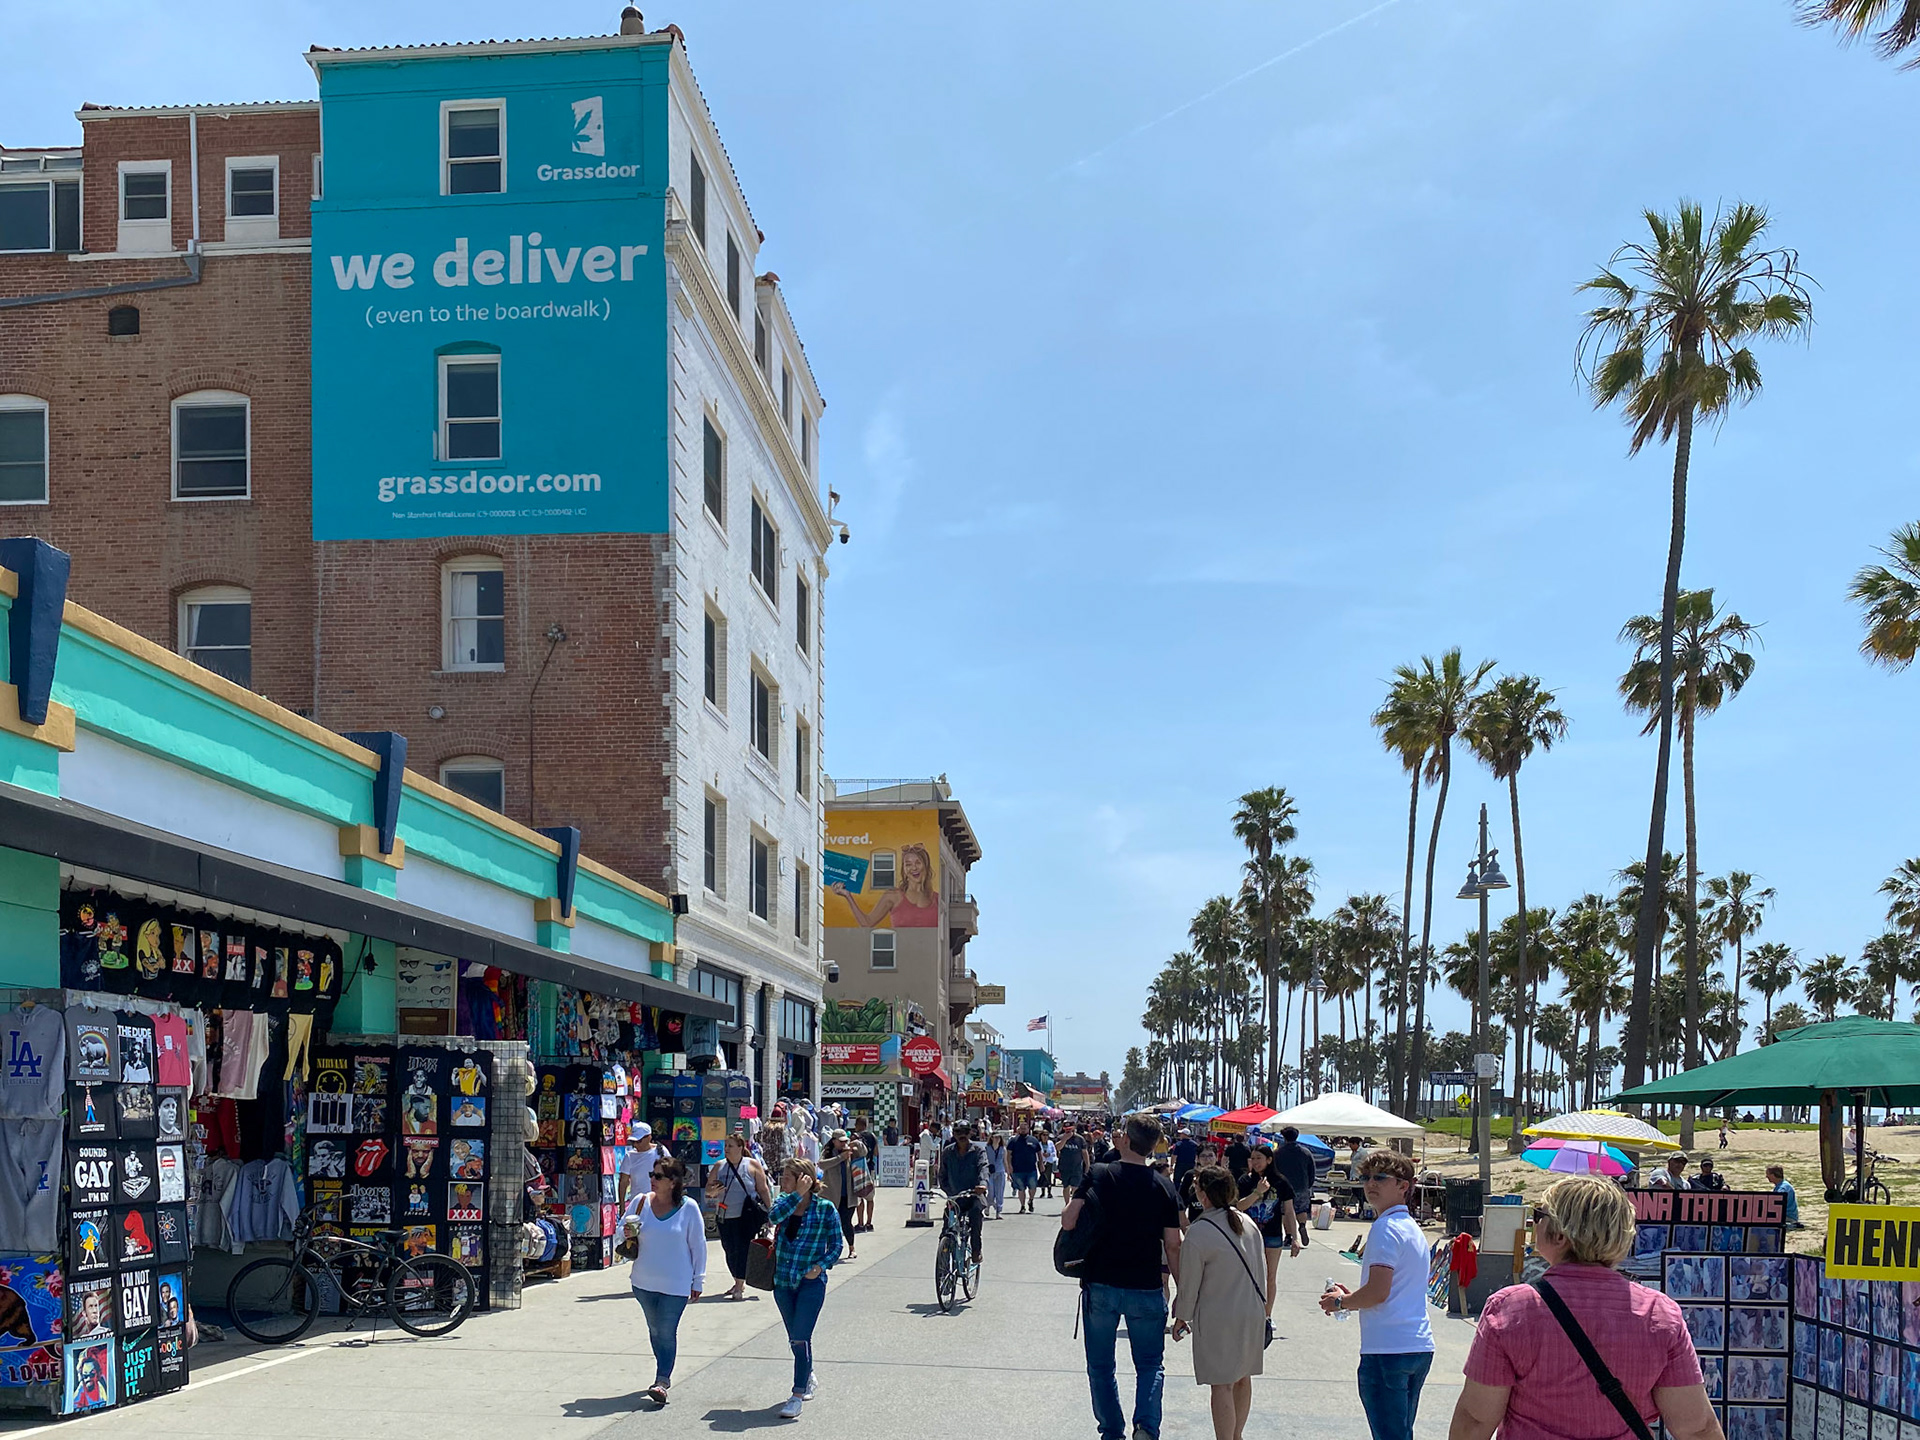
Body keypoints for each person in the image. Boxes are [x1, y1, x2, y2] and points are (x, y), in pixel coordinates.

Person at [1448, 1173, 1723, 1440]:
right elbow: (1695, 1427)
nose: (1534, 1223)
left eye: (1539, 1216)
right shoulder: (1659, 1313)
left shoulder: (1510, 1310)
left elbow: (1476, 1420)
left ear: (1560, 1236)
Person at [1063, 1113, 1184, 1440]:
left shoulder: (1099, 1173)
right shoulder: (1164, 1185)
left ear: (1126, 1140)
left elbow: (1069, 1221)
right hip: (1146, 1285)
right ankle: (1145, 1426)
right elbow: (1173, 1245)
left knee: (1101, 1366)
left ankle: (1112, 1431)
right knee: (1150, 1365)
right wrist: (1182, 1292)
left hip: (1101, 1282)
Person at [1318, 1150, 1435, 1440]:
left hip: (1388, 1349)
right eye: (1367, 1177)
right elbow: (1392, 1289)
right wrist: (1355, 1298)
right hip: (1416, 1345)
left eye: (1381, 1178)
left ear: (1403, 1185)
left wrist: (1341, 1302)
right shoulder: (1411, 1228)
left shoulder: (1385, 1228)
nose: (1371, 1183)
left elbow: (1378, 1292)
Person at [1175, 1165, 1270, 1440]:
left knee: (1221, 1384)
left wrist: (1182, 1316)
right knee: (1242, 1377)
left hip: (1219, 1316)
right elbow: (1262, 1270)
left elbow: (1189, 1284)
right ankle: (1237, 1435)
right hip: (1252, 1311)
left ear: (1203, 1195)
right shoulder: (1248, 1223)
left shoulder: (1198, 1232)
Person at [622, 1156, 706, 1407]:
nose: (653, 1180)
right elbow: (620, 1229)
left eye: (658, 1176)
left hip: (676, 1284)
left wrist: (698, 1280)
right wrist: (625, 1233)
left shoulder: (689, 1208)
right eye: (652, 1174)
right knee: (655, 1330)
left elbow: (698, 1246)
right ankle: (662, 1370)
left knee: (666, 1331)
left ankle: (662, 1380)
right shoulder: (640, 1202)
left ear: (673, 1182)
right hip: (643, 1282)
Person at [769, 1158, 844, 1420]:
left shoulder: (825, 1209)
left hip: (811, 1282)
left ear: (805, 1178)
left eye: (788, 1177)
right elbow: (773, 1217)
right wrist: (796, 1195)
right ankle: (807, 1372)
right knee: (795, 1338)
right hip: (782, 1281)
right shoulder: (784, 1202)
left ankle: (796, 1395)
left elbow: (836, 1245)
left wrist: (820, 1266)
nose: (783, 1181)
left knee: (800, 1336)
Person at [1234, 1145, 1302, 1320]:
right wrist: (1257, 1192)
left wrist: (1294, 1237)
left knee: (1270, 1276)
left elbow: (1289, 1211)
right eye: (1253, 1158)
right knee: (1247, 1274)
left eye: (1259, 1158)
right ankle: (1247, 1312)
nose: (1255, 1162)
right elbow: (1239, 1206)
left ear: (1269, 1160)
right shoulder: (1245, 1181)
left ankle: (1267, 1315)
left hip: (1272, 1234)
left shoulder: (1280, 1182)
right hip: (1248, 1235)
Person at [706, 1134, 773, 1301]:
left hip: (746, 1216)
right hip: (724, 1215)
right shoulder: (719, 1166)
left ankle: (739, 1284)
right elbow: (708, 1191)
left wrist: (770, 1212)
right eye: (725, 1146)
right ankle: (737, 1279)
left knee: (742, 1249)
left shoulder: (752, 1165)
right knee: (729, 1249)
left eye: (730, 1146)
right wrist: (713, 1192)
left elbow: (763, 1189)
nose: (726, 1149)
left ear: (740, 1148)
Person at [829, 841, 939, 927]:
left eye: (918, 863)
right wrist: (848, 896)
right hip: (901, 949)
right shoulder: (893, 895)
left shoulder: (938, 900)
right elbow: (867, 923)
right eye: (908, 864)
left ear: (926, 865)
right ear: (904, 869)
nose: (914, 868)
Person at [939, 1122, 989, 1262]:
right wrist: (949, 1192)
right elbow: (942, 1176)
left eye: (965, 1132)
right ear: (953, 1134)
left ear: (970, 1133)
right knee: (947, 1226)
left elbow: (983, 1168)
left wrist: (982, 1185)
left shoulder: (978, 1151)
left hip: (974, 1195)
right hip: (955, 1197)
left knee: (975, 1216)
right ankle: (943, 1258)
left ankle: (976, 1250)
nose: (962, 1135)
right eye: (958, 1132)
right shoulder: (947, 1152)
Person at [1270, 1126, 1318, 1250]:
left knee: (1286, 1211)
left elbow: (1273, 1170)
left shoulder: (1277, 1153)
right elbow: (1312, 1170)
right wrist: (1309, 1184)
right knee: (1301, 1210)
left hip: (1284, 1187)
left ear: (1284, 1137)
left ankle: (1289, 1235)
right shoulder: (1305, 1152)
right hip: (1302, 1186)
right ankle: (1302, 1225)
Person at [819, 1132, 860, 1260]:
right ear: (834, 1141)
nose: (843, 1144)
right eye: (840, 1141)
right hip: (831, 1195)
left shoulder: (850, 1151)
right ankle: (828, 1250)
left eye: (845, 1141)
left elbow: (863, 1153)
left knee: (846, 1222)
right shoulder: (828, 1152)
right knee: (829, 1224)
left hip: (848, 1195)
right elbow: (821, 1164)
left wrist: (857, 1144)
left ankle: (852, 1248)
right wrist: (840, 1158)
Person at [616, 1121, 660, 1212]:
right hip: (637, 1206)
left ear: (649, 1137)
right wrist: (622, 1207)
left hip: (658, 1204)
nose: (635, 1145)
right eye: (633, 1142)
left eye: (639, 1141)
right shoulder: (629, 1156)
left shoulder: (660, 1152)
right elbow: (623, 1182)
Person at [1009, 1125, 1043, 1213]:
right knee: (1021, 1188)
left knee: (1033, 1187)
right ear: (1019, 1130)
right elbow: (1009, 1154)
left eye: (1025, 1129)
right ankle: (1022, 1206)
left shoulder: (1033, 1140)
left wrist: (1041, 1164)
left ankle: (1031, 1200)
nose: (1023, 1130)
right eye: (1021, 1129)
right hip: (1017, 1169)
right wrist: (1009, 1166)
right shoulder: (1013, 1141)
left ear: (1028, 1129)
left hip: (1031, 1169)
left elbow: (1039, 1153)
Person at [985, 1131, 1010, 1219]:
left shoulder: (1003, 1149)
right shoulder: (987, 1148)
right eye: (995, 1137)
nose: (997, 1139)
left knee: (999, 1193)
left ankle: (999, 1211)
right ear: (991, 1138)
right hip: (990, 1172)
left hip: (1000, 1172)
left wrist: (1008, 1173)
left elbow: (1005, 1161)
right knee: (991, 1192)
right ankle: (988, 1205)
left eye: (998, 1137)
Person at [1059, 1125, 1090, 1195]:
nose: (1068, 1131)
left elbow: (1084, 1152)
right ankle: (1067, 1201)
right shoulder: (1061, 1137)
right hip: (1064, 1167)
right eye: (1067, 1130)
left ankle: (1073, 1200)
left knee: (1075, 1186)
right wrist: (1064, 1139)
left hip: (1077, 1167)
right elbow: (1057, 1148)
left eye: (1070, 1129)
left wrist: (1087, 1165)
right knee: (1066, 1186)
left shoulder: (1080, 1139)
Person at [1041, 1129, 1060, 1200]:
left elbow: (1054, 1152)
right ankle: (1043, 1191)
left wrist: (1049, 1154)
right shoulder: (1039, 1144)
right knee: (1042, 1176)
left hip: (1049, 1161)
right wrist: (1042, 1155)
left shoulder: (1051, 1143)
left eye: (1046, 1135)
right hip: (1041, 1162)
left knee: (1048, 1176)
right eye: (1044, 1135)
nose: (1045, 1137)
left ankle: (1049, 1192)